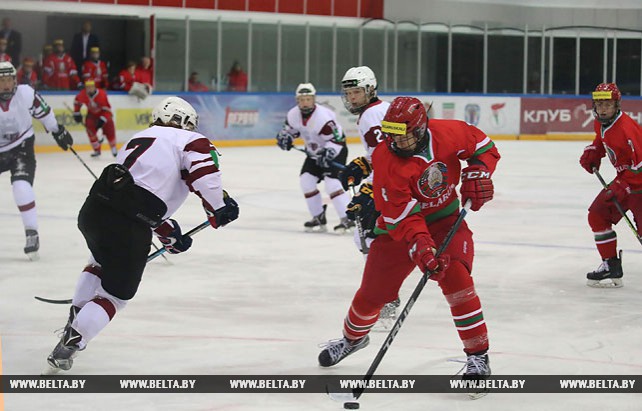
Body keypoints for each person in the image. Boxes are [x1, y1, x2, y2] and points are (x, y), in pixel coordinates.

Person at [318, 97, 500, 399]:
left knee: (457, 280)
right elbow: (403, 219)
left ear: (422, 127)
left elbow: (484, 146)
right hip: (398, 232)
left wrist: (479, 171)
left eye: (405, 134)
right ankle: (352, 339)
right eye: (392, 133)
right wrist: (423, 249)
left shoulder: (449, 132)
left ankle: (478, 357)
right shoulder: (386, 161)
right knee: (371, 296)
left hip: (445, 221)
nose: (398, 141)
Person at [44, 96, 240, 373]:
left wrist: (168, 233)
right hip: (130, 223)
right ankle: (73, 340)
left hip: (93, 211)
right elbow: (204, 177)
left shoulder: (139, 137)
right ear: (183, 120)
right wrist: (219, 207)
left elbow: (136, 198)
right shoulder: (189, 141)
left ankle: (75, 320)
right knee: (116, 295)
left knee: (99, 262)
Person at [337, 66, 398, 329]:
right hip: (398, 180)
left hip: (393, 184)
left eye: (357, 92)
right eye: (349, 93)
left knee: (368, 237)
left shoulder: (370, 115)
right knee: (374, 237)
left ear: (370, 90)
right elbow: (390, 148)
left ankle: (384, 297)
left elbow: (389, 158)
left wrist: (371, 190)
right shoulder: (382, 110)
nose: (352, 98)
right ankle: (385, 294)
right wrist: (364, 164)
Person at [0, 62, 73, 260]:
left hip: (21, 147)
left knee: (21, 186)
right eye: (1, 81)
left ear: (15, 81)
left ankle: (31, 232)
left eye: (8, 80)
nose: (6, 85)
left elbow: (45, 113)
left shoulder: (25, 94)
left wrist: (57, 131)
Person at [579, 82, 642, 288]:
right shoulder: (601, 123)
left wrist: (623, 186)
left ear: (617, 105)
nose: (603, 108)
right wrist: (594, 151)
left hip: (638, 183)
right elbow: (601, 139)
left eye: (608, 104)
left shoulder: (627, 130)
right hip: (626, 180)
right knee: (597, 215)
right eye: (599, 104)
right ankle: (610, 265)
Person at [276, 83, 353, 232]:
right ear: (297, 100)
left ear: (314, 99)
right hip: (314, 154)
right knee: (306, 181)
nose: (305, 102)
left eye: (308, 99)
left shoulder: (323, 117)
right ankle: (318, 216)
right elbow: (291, 131)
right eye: (302, 99)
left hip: (335, 152)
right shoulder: (293, 114)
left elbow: (338, 139)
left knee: (332, 185)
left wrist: (328, 153)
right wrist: (285, 139)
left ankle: (347, 218)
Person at [73, 80, 117, 157]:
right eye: (87, 87)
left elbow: (107, 110)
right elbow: (77, 102)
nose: (89, 89)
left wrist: (103, 119)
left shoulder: (102, 94)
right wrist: (77, 113)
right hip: (91, 116)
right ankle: (97, 150)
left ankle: (113, 148)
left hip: (104, 114)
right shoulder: (83, 94)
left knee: (110, 129)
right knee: (90, 131)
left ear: (94, 87)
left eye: (91, 87)